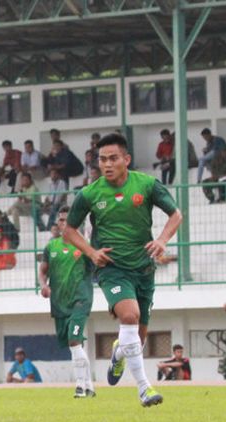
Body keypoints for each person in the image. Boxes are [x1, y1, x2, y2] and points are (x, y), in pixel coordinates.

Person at [63, 133, 182, 407]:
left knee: (137, 340)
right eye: (102, 159)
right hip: (112, 268)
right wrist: (92, 253)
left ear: (126, 159)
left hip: (143, 267)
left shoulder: (148, 185)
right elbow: (69, 230)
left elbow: (176, 214)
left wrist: (162, 240)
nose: (107, 164)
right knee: (129, 315)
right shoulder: (90, 193)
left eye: (113, 158)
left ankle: (118, 354)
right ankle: (144, 388)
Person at [39, 207, 95, 398]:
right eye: (61, 220)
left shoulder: (84, 246)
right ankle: (90, 386)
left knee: (74, 339)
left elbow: (95, 266)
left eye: (67, 220)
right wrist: (43, 285)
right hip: (59, 303)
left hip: (80, 300)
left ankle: (80, 386)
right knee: (75, 344)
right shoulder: (51, 247)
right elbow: (43, 270)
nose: (63, 223)